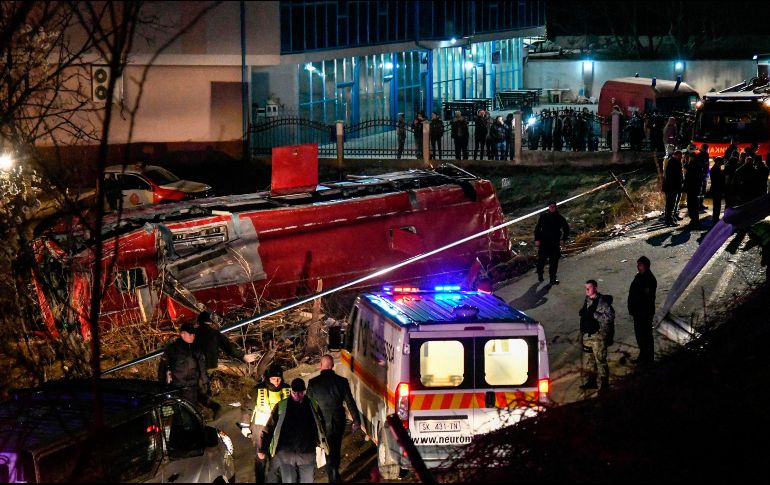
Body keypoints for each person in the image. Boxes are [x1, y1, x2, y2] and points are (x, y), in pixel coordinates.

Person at [259, 378, 329, 484]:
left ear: (304, 391)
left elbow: (321, 426)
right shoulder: (281, 406)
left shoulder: (312, 405)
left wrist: (323, 443)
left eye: (300, 392)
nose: (297, 395)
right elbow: (269, 427)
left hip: (307, 453)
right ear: (291, 390)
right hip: (286, 455)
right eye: (294, 392)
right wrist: (263, 448)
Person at [307, 355, 362, 483]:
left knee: (326, 447)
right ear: (332, 366)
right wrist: (356, 420)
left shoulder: (313, 383)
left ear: (321, 365)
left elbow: (308, 405)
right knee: (336, 446)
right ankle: (334, 471)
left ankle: (332, 473)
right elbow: (350, 402)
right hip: (338, 419)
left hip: (321, 421)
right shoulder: (342, 381)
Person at [194, 311, 257, 417]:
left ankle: (206, 410)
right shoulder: (214, 333)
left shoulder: (193, 334)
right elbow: (229, 348)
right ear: (210, 322)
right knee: (204, 389)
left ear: (198, 322)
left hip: (194, 367)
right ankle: (209, 410)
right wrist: (243, 356)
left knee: (197, 390)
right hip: (209, 366)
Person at [240, 365, 291, 483]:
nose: (276, 382)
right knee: (261, 458)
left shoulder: (287, 389)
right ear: (268, 378)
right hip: (260, 430)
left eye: (278, 379)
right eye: (273, 379)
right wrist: (245, 425)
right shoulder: (257, 390)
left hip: (281, 429)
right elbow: (247, 408)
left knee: (278, 458)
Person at [158, 323, 208, 406]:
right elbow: (162, 366)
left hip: (192, 387)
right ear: (182, 334)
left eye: (193, 334)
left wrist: (205, 382)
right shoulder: (172, 348)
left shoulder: (196, 348)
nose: (193, 337)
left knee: (192, 406)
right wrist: (162, 384)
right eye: (190, 334)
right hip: (177, 387)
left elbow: (202, 366)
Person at [578, 280, 615, 394]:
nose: (586, 290)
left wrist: (595, 315)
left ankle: (605, 385)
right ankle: (592, 381)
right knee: (590, 360)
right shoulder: (587, 300)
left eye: (589, 288)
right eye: (585, 288)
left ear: (595, 288)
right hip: (587, 335)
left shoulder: (602, 302)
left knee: (600, 360)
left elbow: (610, 317)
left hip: (598, 336)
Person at [627, 256, 657, 365]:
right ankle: (643, 356)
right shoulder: (639, 277)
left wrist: (637, 307)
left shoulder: (649, 279)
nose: (638, 267)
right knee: (640, 336)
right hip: (638, 312)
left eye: (640, 264)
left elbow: (645, 297)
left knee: (646, 336)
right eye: (638, 264)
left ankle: (648, 359)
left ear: (646, 265)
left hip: (644, 313)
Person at [534, 201, 570, 285]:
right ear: (549, 208)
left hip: (555, 243)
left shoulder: (560, 218)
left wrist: (563, 239)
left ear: (556, 207)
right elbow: (537, 228)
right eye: (551, 207)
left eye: (554, 206)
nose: (552, 208)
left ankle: (552, 278)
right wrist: (537, 239)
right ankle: (540, 274)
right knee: (542, 259)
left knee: (554, 261)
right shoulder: (544, 217)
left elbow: (566, 229)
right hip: (544, 242)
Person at [683, 149, 703, 228]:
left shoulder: (693, 164)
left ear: (692, 157)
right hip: (695, 188)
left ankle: (694, 221)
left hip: (692, 188)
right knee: (694, 204)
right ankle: (695, 220)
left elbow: (686, 168)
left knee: (691, 205)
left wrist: (686, 161)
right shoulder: (697, 164)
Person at [662, 150, 684, 226]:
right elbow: (673, 177)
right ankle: (669, 220)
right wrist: (677, 186)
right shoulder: (673, 162)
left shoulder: (672, 161)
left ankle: (669, 219)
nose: (681, 158)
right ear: (677, 155)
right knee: (670, 204)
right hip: (672, 187)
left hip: (671, 187)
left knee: (670, 204)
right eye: (680, 156)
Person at [710, 156, 725, 223]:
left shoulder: (716, 168)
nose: (722, 162)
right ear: (718, 162)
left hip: (716, 189)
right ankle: (715, 218)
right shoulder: (716, 169)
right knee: (717, 204)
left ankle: (715, 218)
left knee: (717, 204)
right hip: (716, 189)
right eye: (721, 161)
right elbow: (718, 180)